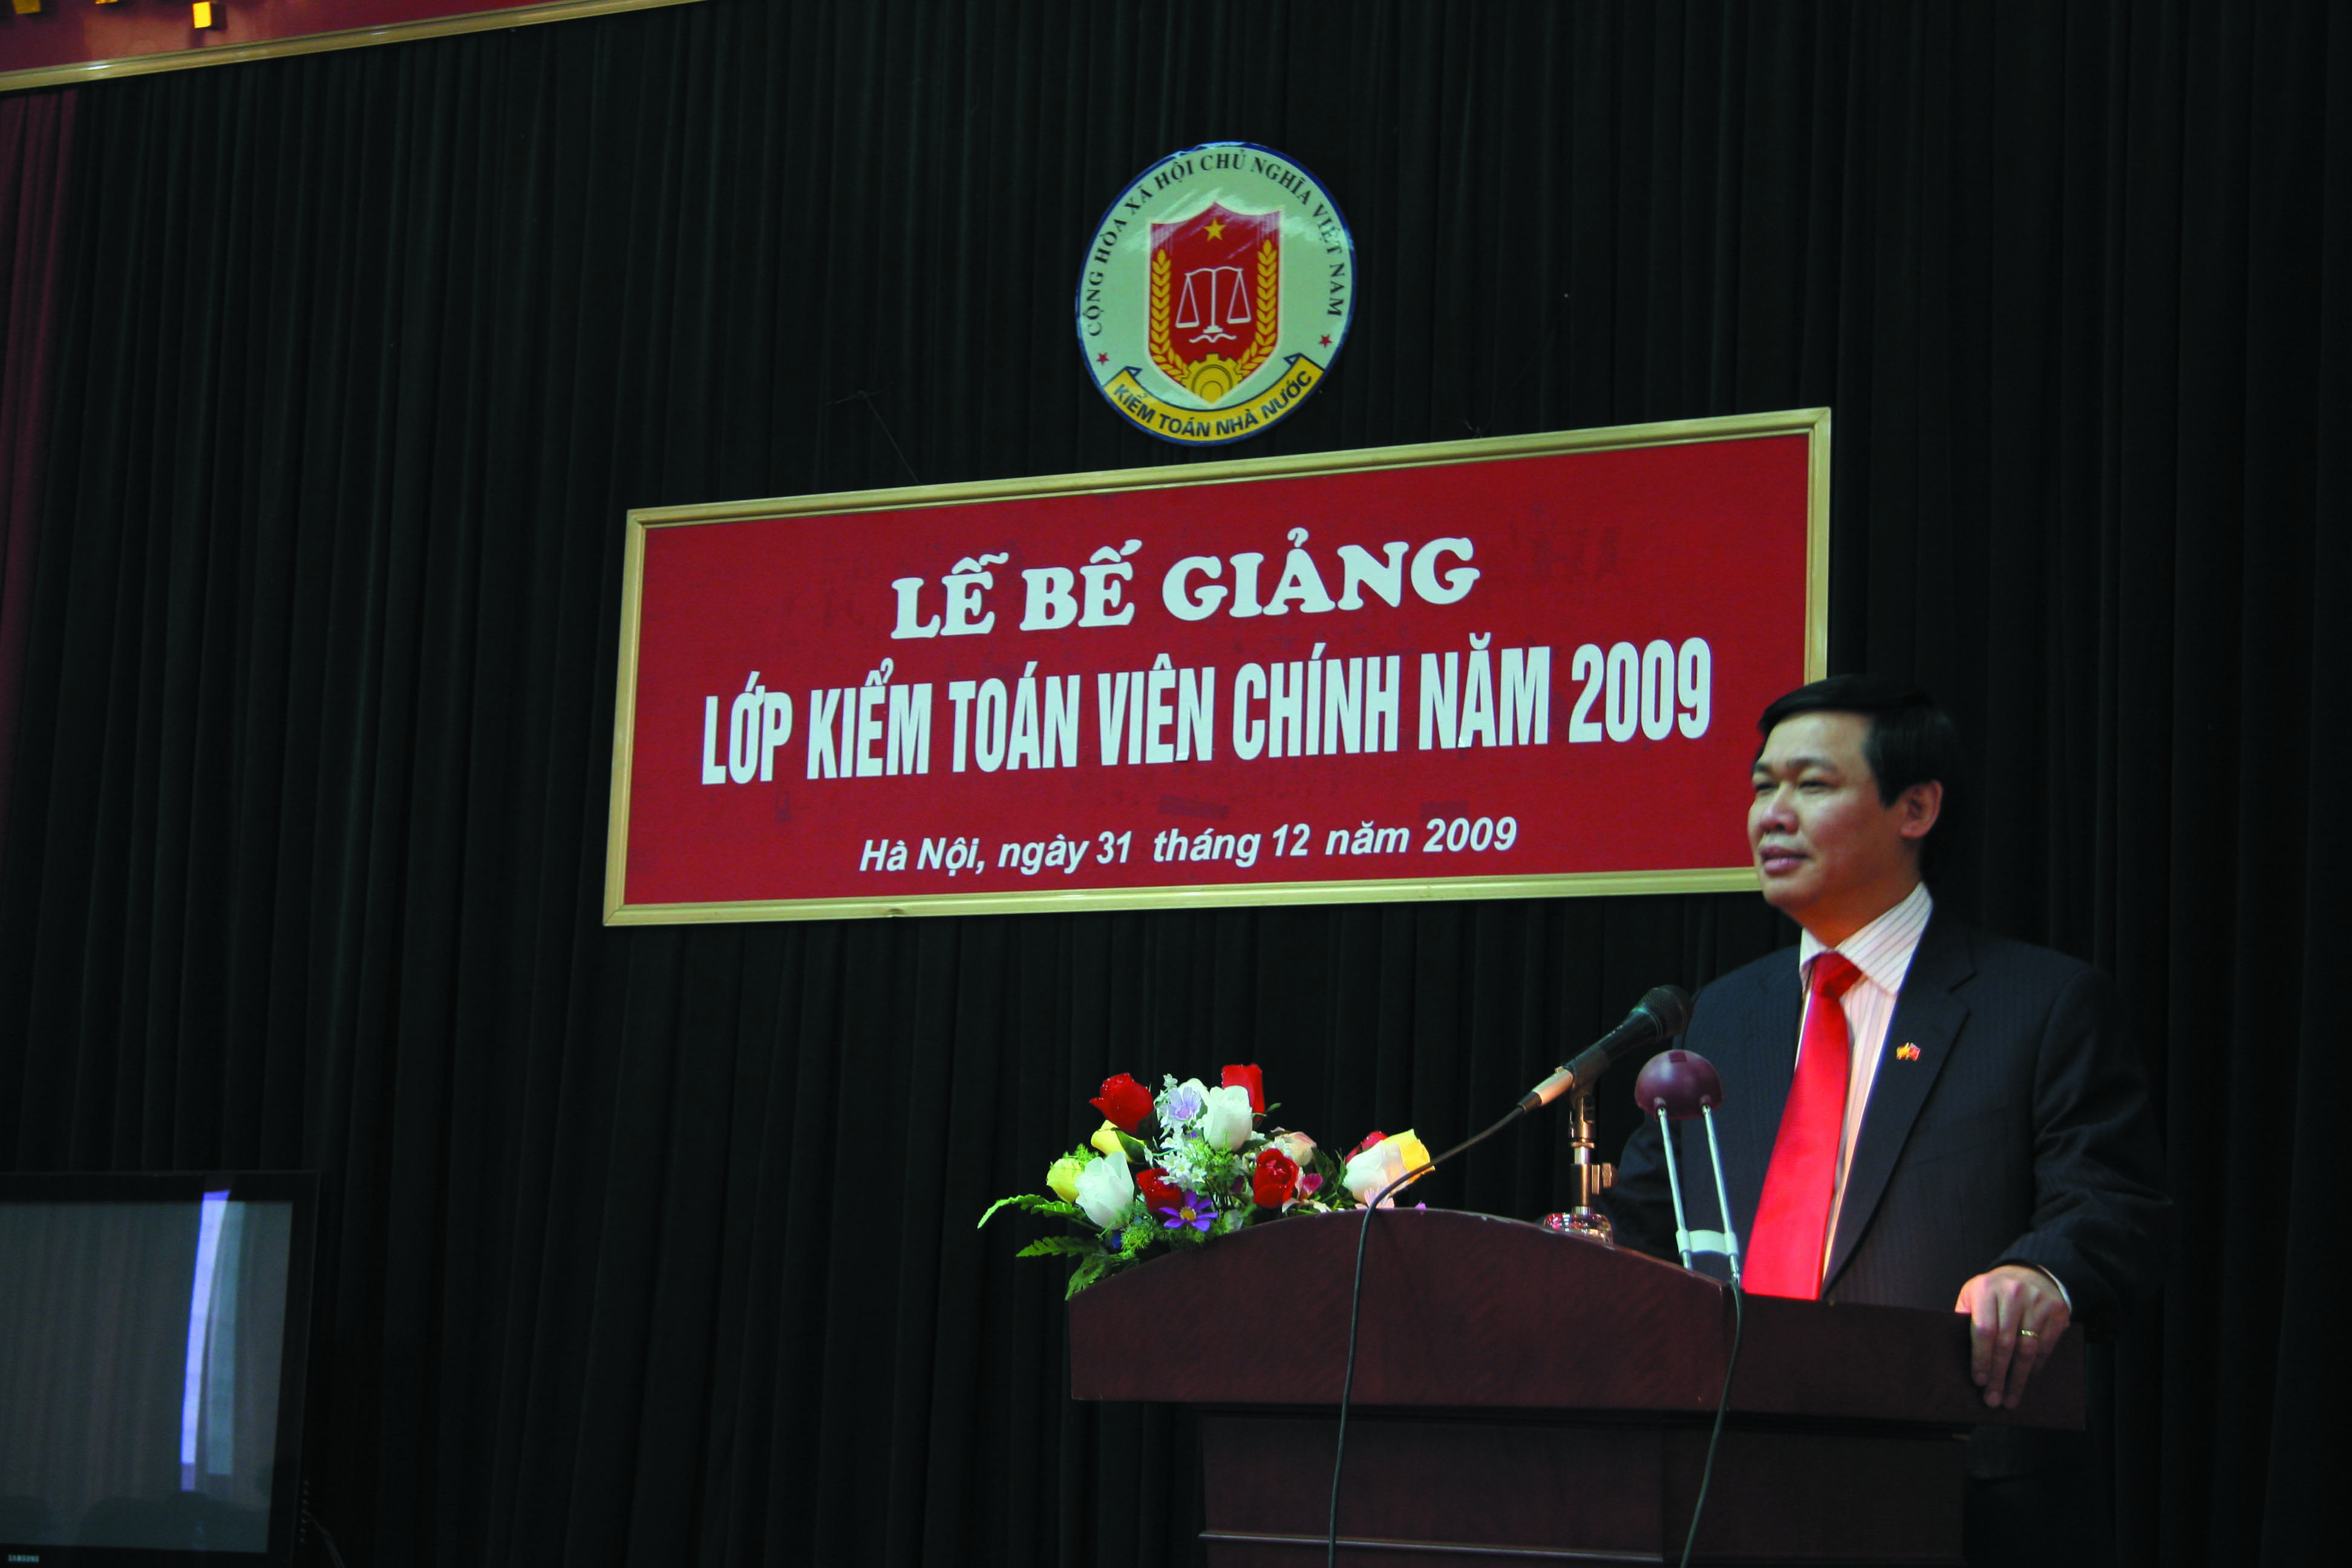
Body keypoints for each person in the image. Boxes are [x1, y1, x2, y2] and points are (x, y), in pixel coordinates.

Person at [1600, 675, 2166, 1565]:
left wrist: (2041, 1273)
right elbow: (1642, 1222)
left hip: (1957, 1495)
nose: (1772, 815)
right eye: (1763, 786)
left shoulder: (2040, 1004)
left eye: (1812, 785)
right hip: (1725, 1487)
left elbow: (2112, 1203)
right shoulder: (1724, 1016)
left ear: (1916, 808)